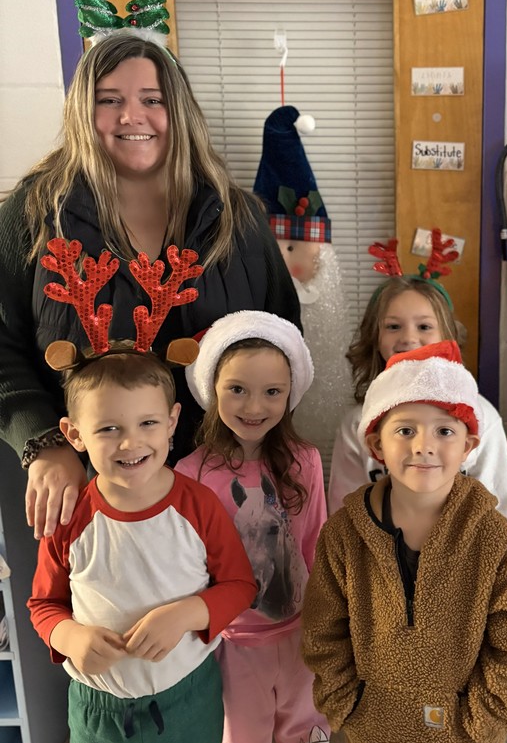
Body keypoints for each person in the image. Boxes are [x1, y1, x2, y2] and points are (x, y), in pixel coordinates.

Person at [0, 30, 300, 542]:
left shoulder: (239, 219)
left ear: (177, 111)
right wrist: (44, 442)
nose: (130, 116)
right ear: (82, 113)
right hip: (83, 494)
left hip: (220, 495)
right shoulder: (32, 213)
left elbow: (283, 341)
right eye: (109, 100)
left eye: (152, 100)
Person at [303, 341, 507, 743]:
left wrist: (485, 718)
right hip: (380, 732)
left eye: (444, 430)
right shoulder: (344, 536)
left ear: (468, 444)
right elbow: (324, 630)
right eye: (405, 429)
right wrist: (347, 705)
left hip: (464, 737)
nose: (424, 446)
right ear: (376, 443)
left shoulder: (496, 541)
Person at [27, 348, 257, 743]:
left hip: (188, 703)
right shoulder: (70, 518)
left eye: (148, 423)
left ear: (173, 422)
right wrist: (68, 634)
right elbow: (43, 603)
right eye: (108, 428)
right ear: (74, 434)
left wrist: (188, 612)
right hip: (99, 716)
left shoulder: (198, 506)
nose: (131, 443)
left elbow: (240, 585)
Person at [177, 310, 329, 743]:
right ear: (212, 388)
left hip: (299, 644)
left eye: (272, 391)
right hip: (231, 646)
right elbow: (190, 568)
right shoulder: (192, 473)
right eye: (237, 389)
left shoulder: (304, 463)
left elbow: (315, 545)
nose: (254, 404)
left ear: (291, 393)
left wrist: (326, 633)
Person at [328, 269, 507, 526]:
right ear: (375, 338)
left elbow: (503, 513)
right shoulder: (357, 424)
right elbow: (345, 516)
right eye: (393, 326)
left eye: (424, 326)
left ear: (447, 335)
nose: (408, 338)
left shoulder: (481, 415)